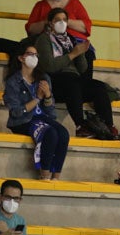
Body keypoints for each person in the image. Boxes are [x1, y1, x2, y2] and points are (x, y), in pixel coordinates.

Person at [34, 8, 114, 138]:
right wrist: (73, 54)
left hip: (73, 80)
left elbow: (82, 69)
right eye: (58, 20)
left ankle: (108, 126)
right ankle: (80, 126)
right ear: (50, 23)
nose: (62, 23)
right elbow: (50, 66)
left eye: (64, 20)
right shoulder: (44, 40)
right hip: (55, 81)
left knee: (99, 87)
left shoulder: (70, 39)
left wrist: (80, 53)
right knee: (72, 83)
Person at [2, 44, 69, 180]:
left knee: (63, 133)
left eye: (36, 55)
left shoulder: (43, 78)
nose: (34, 57)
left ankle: (56, 177)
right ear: (21, 58)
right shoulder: (13, 82)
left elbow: (51, 112)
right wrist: (37, 98)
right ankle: (45, 175)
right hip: (23, 120)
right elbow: (16, 112)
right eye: (30, 54)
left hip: (43, 117)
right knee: (50, 133)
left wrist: (48, 96)